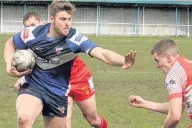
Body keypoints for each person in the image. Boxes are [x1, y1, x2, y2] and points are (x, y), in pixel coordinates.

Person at [4, 1, 136, 128]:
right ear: (52, 19)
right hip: (34, 85)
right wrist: (9, 66)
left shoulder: (75, 39)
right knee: (24, 120)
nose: (67, 23)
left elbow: (101, 53)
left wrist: (123, 60)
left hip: (58, 91)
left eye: (69, 19)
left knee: (92, 118)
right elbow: (10, 44)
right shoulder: (32, 34)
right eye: (62, 19)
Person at [13, 11, 110, 128]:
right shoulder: (31, 43)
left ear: (42, 22)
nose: (30, 29)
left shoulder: (57, 33)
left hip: (79, 78)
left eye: (33, 24)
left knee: (93, 120)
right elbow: (37, 67)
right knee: (66, 122)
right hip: (58, 84)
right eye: (27, 27)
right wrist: (23, 77)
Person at [129, 39, 192, 128]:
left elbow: (175, 116)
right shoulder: (187, 66)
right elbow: (176, 108)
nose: (157, 65)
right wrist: (144, 103)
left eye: (157, 60)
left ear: (169, 58)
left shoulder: (174, 73)